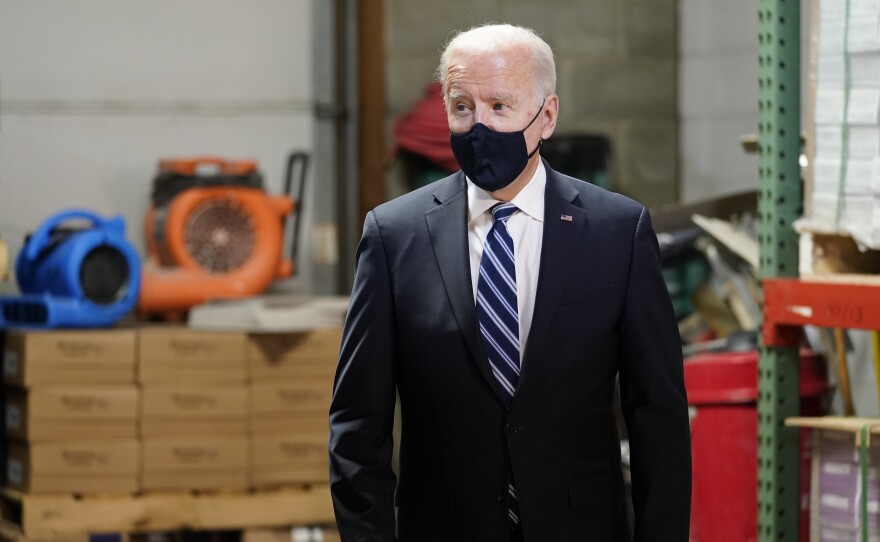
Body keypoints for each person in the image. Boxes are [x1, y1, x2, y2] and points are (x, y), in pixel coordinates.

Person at [329, 23, 691, 542]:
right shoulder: (394, 236)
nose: (479, 127)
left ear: (547, 116)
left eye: (500, 106)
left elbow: (657, 414)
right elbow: (357, 423)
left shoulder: (616, 231)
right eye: (462, 107)